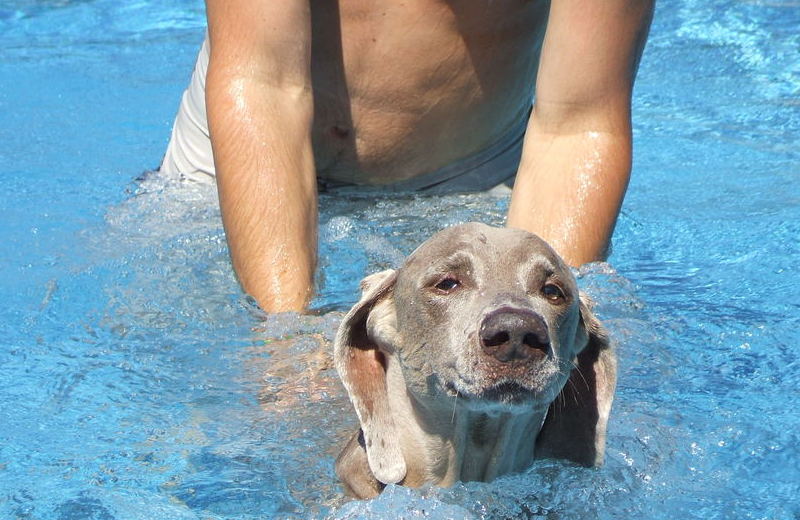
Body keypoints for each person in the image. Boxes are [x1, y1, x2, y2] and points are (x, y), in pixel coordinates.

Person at [161, 0, 654, 313]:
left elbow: (577, 124)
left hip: (467, 178)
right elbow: (261, 82)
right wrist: (284, 341)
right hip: (229, 152)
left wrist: (542, 321)